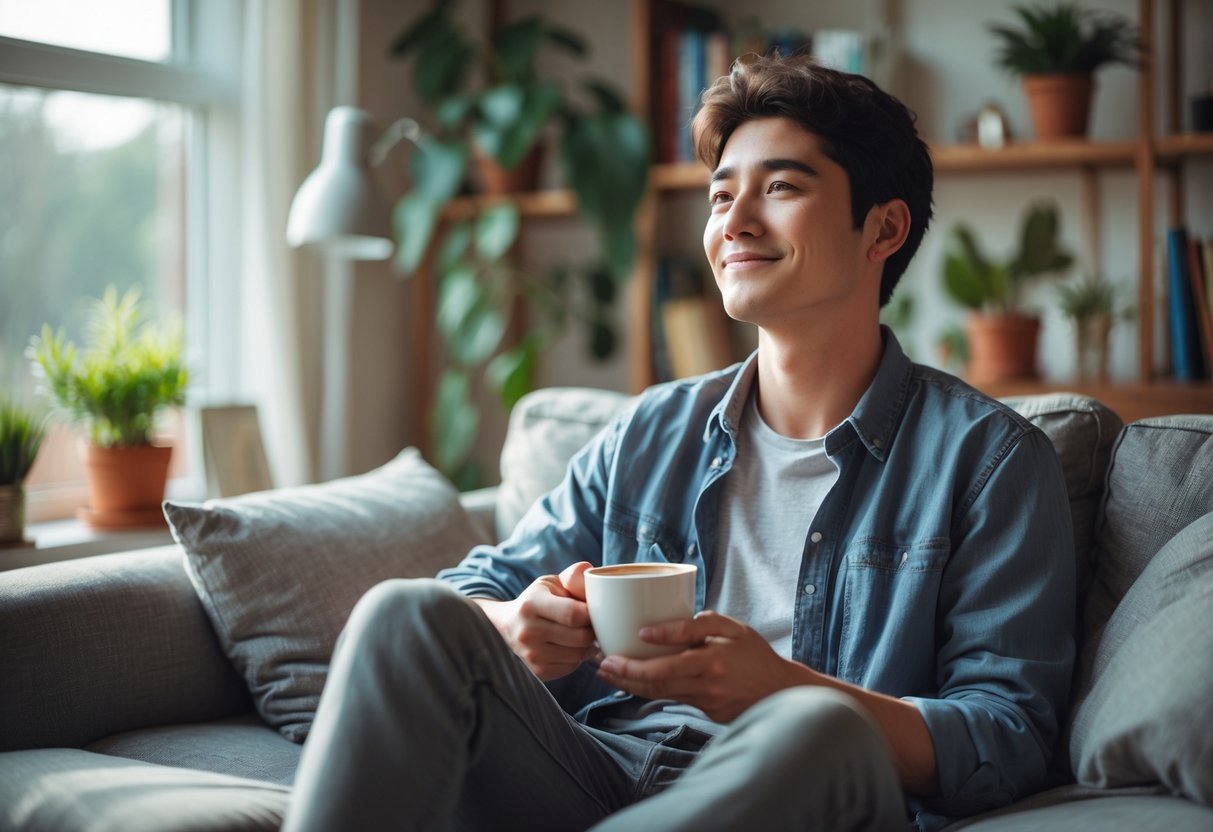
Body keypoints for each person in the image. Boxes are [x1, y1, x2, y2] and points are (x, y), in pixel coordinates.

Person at [282, 53, 1075, 832]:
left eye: (781, 187)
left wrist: (777, 688)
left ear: (884, 227)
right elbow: (469, 592)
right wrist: (514, 624)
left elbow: (1006, 740)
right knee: (403, 612)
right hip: (597, 771)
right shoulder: (649, 431)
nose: (734, 221)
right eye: (720, 195)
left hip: (801, 786)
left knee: (817, 725)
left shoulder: (987, 460)